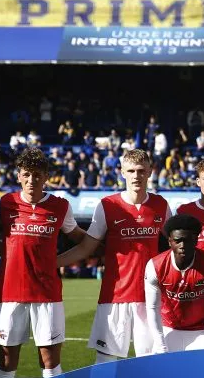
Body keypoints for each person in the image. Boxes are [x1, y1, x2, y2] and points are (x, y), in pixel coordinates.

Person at [57, 149, 171, 362]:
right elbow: (86, 248)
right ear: (122, 173)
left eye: (141, 171)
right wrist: (51, 263)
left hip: (151, 297)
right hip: (114, 295)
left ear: (150, 172)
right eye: (131, 171)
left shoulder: (161, 205)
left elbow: (176, 246)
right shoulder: (107, 205)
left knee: (150, 363)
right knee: (105, 363)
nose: (136, 176)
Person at [0, 148, 85, 378]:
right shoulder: (2, 204)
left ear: (46, 177)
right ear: (19, 176)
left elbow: (80, 238)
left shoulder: (61, 206)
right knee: (6, 359)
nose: (32, 180)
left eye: (38, 175)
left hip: (47, 292)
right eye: (27, 174)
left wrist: (109, 244)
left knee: (50, 360)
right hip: (11, 292)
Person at [144, 215, 204, 353]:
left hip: (202, 330)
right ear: (170, 241)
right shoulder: (154, 266)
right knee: (163, 373)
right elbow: (152, 307)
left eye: (187, 241)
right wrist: (160, 344)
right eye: (178, 240)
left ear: (195, 241)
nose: (182, 246)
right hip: (169, 328)